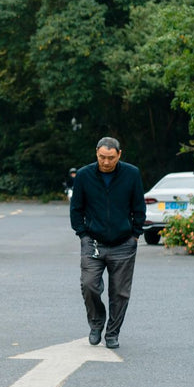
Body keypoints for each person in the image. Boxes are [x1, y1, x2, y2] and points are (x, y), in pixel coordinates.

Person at [69, 137, 145, 349]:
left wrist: (135, 235)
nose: (106, 162)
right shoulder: (84, 175)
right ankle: (96, 323)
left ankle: (112, 333)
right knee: (89, 285)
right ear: (96, 154)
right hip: (92, 241)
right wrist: (82, 234)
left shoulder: (131, 174)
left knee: (120, 292)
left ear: (119, 155)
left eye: (111, 158)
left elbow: (139, 206)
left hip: (123, 243)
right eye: (102, 157)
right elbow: (76, 208)